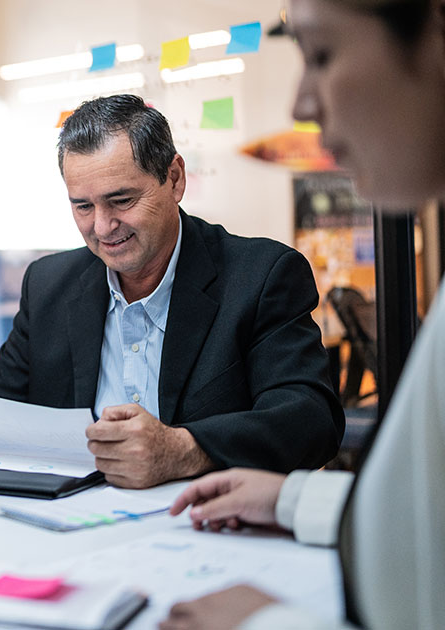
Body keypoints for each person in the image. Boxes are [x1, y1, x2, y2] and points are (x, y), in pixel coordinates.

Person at [161, 0, 445, 628]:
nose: (301, 106)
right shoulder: (54, 282)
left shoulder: (260, 274)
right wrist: (297, 498)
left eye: (321, 54)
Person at [0, 95, 344, 488]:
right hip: (73, 528)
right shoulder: (50, 284)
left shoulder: (261, 276)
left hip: (209, 526)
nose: (102, 227)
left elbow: (311, 422)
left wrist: (184, 449)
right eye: (83, 206)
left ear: (175, 179)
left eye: (122, 200)